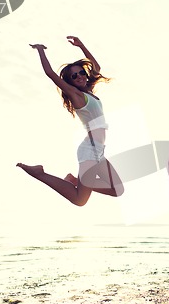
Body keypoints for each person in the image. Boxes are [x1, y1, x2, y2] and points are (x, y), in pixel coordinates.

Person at [17, 36, 123, 206]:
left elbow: (97, 67)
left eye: (81, 72)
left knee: (117, 189)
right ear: (70, 81)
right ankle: (39, 173)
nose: (80, 76)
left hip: (99, 151)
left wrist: (82, 45)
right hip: (90, 149)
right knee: (79, 200)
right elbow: (50, 74)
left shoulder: (89, 92)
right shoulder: (77, 95)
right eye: (74, 76)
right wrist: (40, 50)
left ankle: (75, 180)